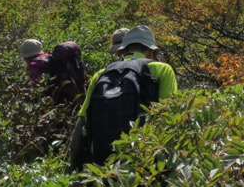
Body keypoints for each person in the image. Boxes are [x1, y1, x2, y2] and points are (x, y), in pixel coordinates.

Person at [68, 25, 177, 169]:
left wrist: (73, 161)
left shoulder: (100, 74)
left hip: (103, 160)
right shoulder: (163, 69)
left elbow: (82, 117)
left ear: (123, 50)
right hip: (144, 157)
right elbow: (169, 114)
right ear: (151, 51)